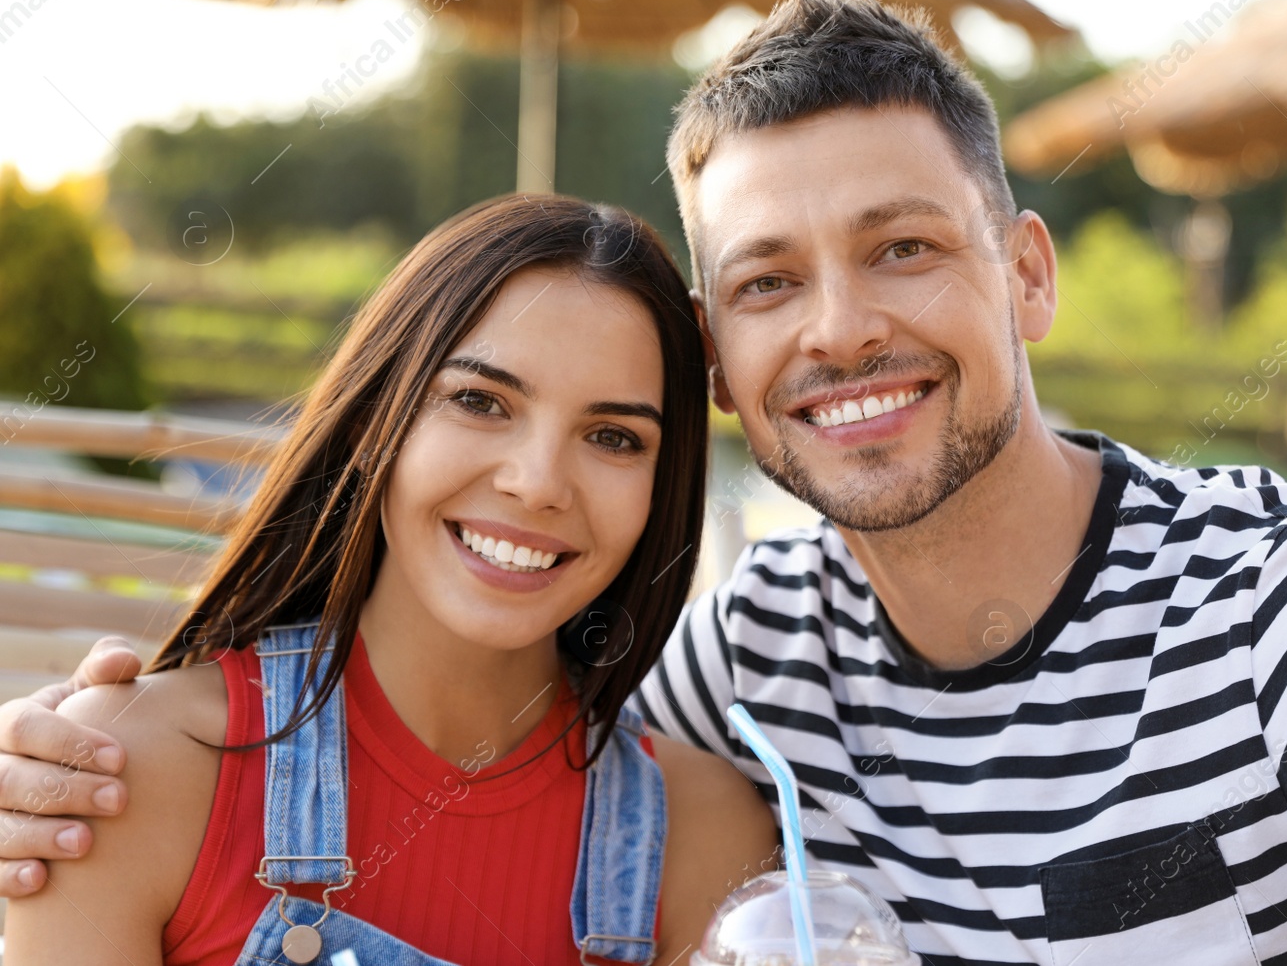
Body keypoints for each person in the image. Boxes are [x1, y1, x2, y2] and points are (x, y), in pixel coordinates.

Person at [5, 0, 1287, 965]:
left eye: (904, 249)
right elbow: (460, 745)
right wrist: (70, 750)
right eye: (767, 280)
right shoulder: (749, 667)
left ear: (1026, 275)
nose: (841, 329)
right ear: (717, 352)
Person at [0, 194, 776, 964]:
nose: (538, 482)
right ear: (378, 421)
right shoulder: (122, 772)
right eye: (479, 400)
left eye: (613, 436)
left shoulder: (707, 837)